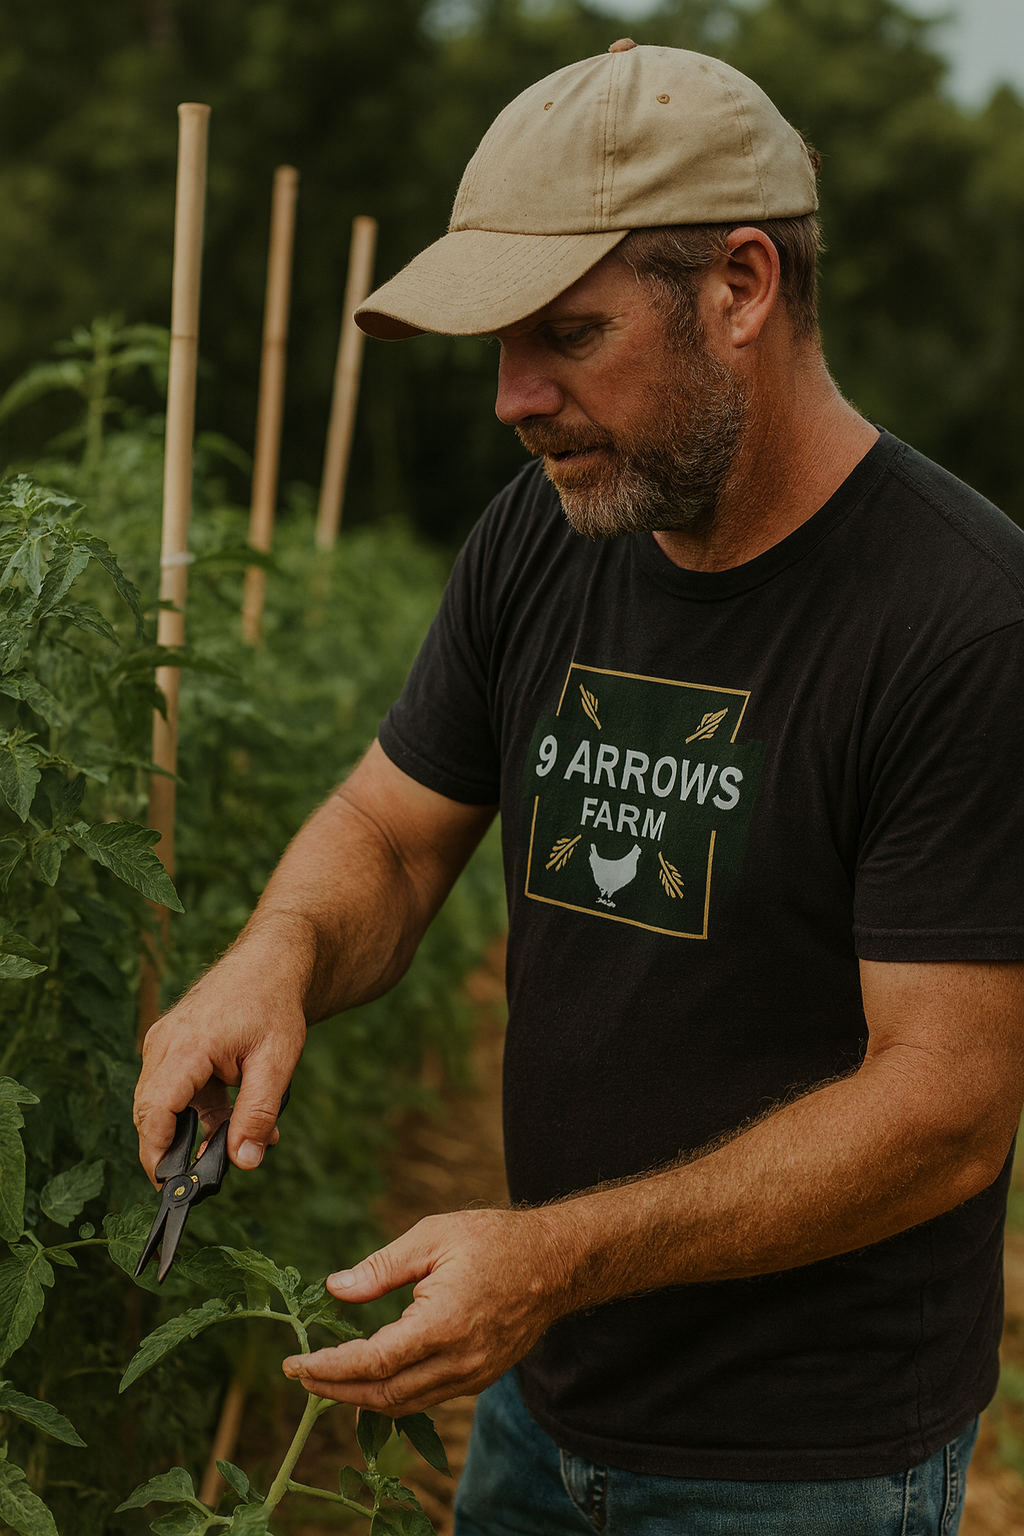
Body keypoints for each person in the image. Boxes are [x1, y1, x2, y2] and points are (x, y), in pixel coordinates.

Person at [135, 41, 1024, 1535]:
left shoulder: (960, 623)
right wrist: (271, 957)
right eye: (499, 344)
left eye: (568, 332)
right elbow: (392, 836)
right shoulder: (547, 537)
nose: (514, 398)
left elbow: (944, 1107)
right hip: (539, 1414)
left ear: (741, 289)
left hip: (803, 1469)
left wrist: (551, 1258)